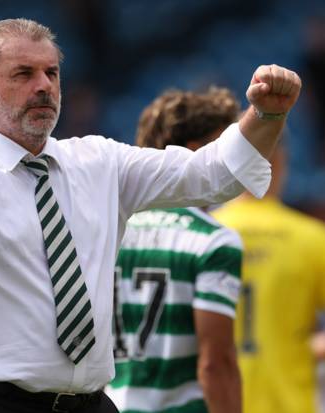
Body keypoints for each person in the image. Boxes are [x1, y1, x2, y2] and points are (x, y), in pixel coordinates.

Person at [0, 18, 300, 413]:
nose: (43, 86)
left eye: (51, 73)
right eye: (23, 74)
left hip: (87, 401)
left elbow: (214, 175)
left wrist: (267, 114)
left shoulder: (98, 161)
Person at [106, 87, 243, 413]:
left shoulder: (107, 231)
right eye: (226, 151)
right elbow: (215, 364)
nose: (236, 165)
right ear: (196, 154)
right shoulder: (211, 241)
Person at [212, 136, 325, 413]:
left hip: (217, 403)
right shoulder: (315, 239)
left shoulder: (205, 232)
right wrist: (312, 348)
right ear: (281, 162)